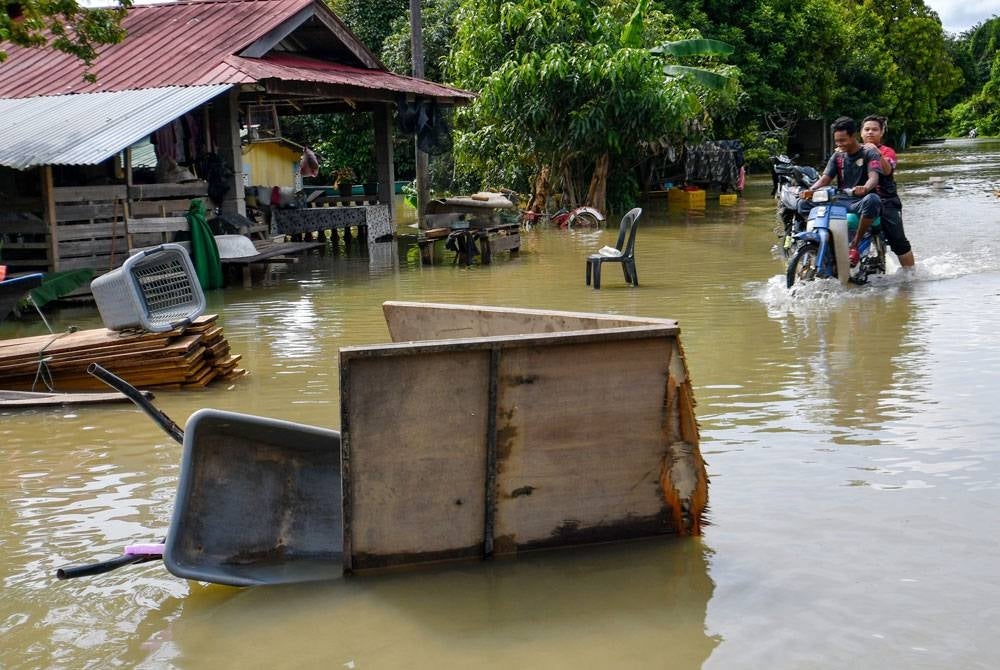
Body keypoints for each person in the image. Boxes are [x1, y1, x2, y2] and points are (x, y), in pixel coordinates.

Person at [798, 116, 883, 266]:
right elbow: (825, 178)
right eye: (837, 141)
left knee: (873, 201)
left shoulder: (870, 153)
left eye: (843, 140)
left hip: (860, 201)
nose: (839, 144)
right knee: (802, 204)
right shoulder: (838, 155)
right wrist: (811, 190)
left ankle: (855, 243)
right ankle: (821, 241)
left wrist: (865, 188)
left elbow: (873, 178)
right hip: (840, 199)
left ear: (853, 136)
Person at [860, 115, 915, 268]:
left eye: (874, 129)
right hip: (861, 200)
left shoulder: (887, 151)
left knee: (899, 242)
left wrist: (876, 153)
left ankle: (910, 276)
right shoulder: (854, 151)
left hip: (886, 201)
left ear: (882, 132)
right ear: (861, 132)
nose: (870, 132)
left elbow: (887, 170)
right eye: (867, 129)